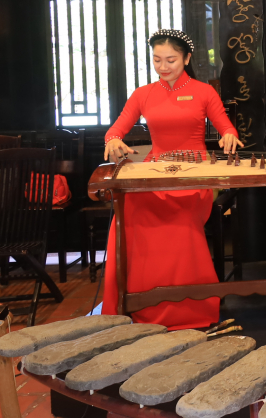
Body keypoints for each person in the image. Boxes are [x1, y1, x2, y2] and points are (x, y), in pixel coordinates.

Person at [101, 29, 243, 329]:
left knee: (178, 223)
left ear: (187, 58)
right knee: (128, 212)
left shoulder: (204, 91)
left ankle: (190, 305)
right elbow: (115, 130)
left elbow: (226, 127)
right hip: (157, 172)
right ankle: (140, 300)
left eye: (171, 60)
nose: (163, 67)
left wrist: (229, 136)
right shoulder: (144, 93)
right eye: (157, 60)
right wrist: (112, 140)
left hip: (196, 173)